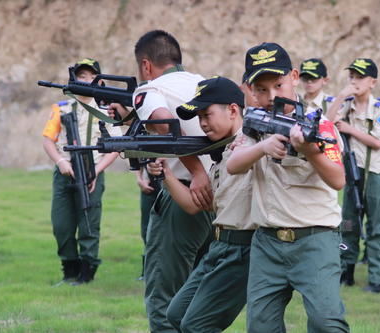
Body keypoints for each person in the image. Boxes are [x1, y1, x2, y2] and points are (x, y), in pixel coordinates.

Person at [227, 42, 350, 333]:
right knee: (260, 326)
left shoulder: (319, 126)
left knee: (326, 323)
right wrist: (264, 147)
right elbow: (233, 164)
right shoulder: (255, 123)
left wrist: (309, 151)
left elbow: (337, 179)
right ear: (249, 89)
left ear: (294, 77)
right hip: (268, 242)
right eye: (261, 89)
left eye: (278, 85)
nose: (271, 96)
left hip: (315, 238)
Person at [109, 30, 214, 332]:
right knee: (201, 293)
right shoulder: (205, 84)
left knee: (164, 296)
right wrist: (130, 119)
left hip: (185, 195)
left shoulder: (149, 89)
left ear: (145, 65)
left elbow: (163, 123)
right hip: (222, 197)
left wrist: (196, 172)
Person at [145, 76, 257, 332]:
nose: (203, 124)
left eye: (207, 114)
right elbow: (196, 206)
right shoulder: (222, 153)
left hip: (243, 250)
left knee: (196, 325)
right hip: (220, 247)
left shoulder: (251, 146)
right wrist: (166, 174)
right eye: (199, 117)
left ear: (232, 110)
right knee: (175, 314)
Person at [42, 58, 120, 285]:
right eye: (81, 76)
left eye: (91, 76)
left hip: (91, 172)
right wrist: (60, 162)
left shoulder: (107, 110)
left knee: (88, 224)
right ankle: (69, 272)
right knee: (61, 226)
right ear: (74, 78)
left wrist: (96, 170)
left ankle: (86, 274)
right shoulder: (62, 107)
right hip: (64, 172)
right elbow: (48, 139)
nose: (86, 80)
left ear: (99, 79)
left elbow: (116, 146)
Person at [326, 58, 380, 293]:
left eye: (360, 77)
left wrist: (351, 129)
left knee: (377, 226)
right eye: (351, 76)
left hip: (374, 171)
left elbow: (377, 142)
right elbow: (327, 123)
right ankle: (347, 271)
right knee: (349, 223)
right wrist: (341, 96)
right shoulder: (346, 105)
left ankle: (377, 278)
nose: (354, 81)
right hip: (352, 172)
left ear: (372, 82)